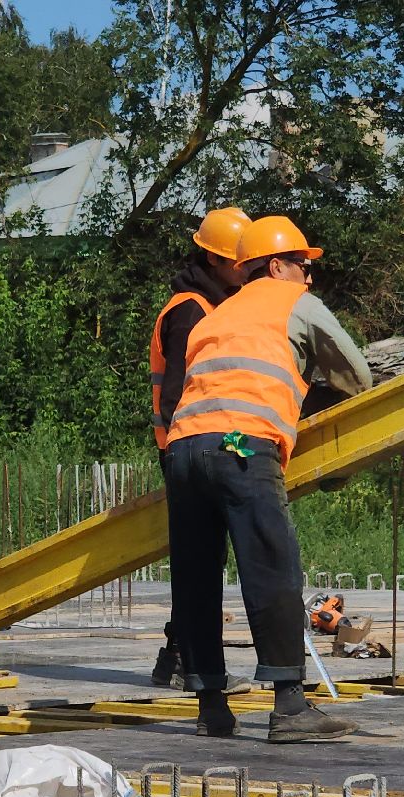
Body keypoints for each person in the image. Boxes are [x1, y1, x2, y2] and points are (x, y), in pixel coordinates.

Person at [164, 215, 373, 741]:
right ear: (278, 265)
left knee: (196, 578)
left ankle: (211, 705)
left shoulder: (214, 315)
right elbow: (359, 378)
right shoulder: (293, 302)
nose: (310, 277)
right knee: (271, 569)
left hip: (184, 450)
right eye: (304, 266)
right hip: (241, 448)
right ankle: (290, 706)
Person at [149, 207, 253, 692]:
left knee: (202, 562)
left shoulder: (214, 305)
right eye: (240, 261)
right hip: (184, 446)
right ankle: (194, 667)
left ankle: (179, 658)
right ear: (214, 260)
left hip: (192, 444)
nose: (247, 268)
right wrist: (177, 453)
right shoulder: (192, 309)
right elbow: (176, 391)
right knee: (198, 566)